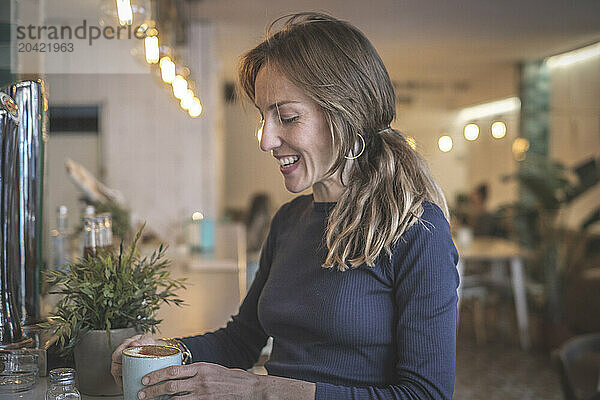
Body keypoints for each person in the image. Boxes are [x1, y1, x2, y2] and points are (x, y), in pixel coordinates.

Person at [111, 12, 459, 400]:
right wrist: (166, 353)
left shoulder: (417, 231)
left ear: (347, 116)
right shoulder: (290, 220)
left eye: (287, 117)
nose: (266, 140)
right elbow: (241, 340)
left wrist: (263, 390)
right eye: (264, 118)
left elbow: (426, 394)